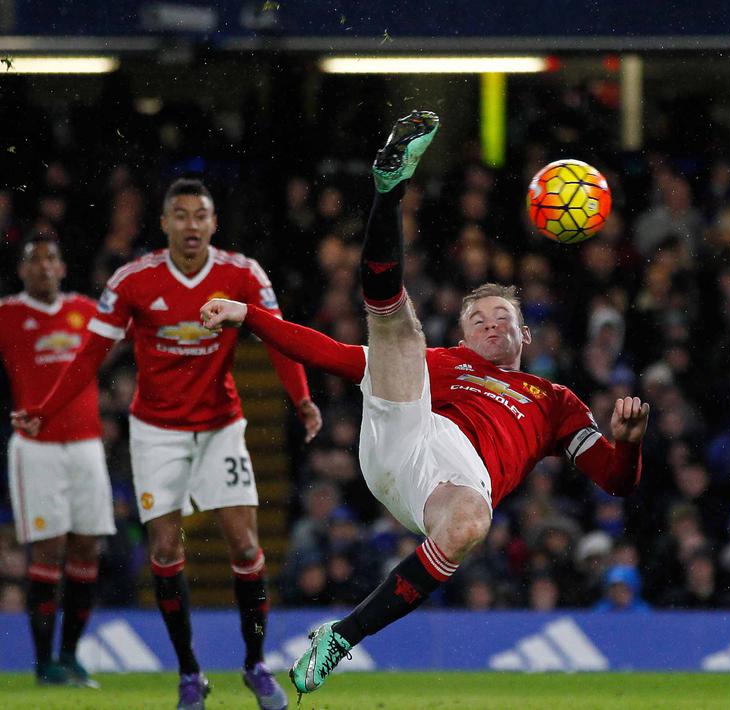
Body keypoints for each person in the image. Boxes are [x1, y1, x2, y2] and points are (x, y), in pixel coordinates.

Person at [198, 111, 650, 696]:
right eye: (477, 319)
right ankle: (389, 190)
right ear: (464, 335)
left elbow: (617, 481)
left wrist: (632, 442)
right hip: (408, 431)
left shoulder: (558, 402)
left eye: (501, 318)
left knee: (470, 524)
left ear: (525, 334)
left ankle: (340, 638)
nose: (490, 326)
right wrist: (248, 315)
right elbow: (337, 356)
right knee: (399, 329)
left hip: (454, 483)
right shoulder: (446, 363)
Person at [12, 179, 319, 710]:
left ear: (214, 223)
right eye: (180, 215)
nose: (191, 225)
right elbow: (89, 355)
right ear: (165, 224)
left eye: (200, 215)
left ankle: (254, 664)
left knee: (245, 545)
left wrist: (304, 398)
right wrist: (43, 409)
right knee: (164, 550)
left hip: (221, 424)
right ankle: (189, 672)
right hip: (156, 431)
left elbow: (278, 335)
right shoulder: (134, 280)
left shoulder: (242, 274)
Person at [0, 234, 116, 688]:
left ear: (63, 268)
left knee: (87, 546)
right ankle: (44, 661)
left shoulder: (86, 311)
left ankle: (70, 656)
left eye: (52, 259)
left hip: (87, 444)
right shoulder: (8, 314)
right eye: (35, 260)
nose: (44, 267)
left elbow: (120, 341)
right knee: (48, 549)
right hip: (37, 447)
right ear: (23, 271)